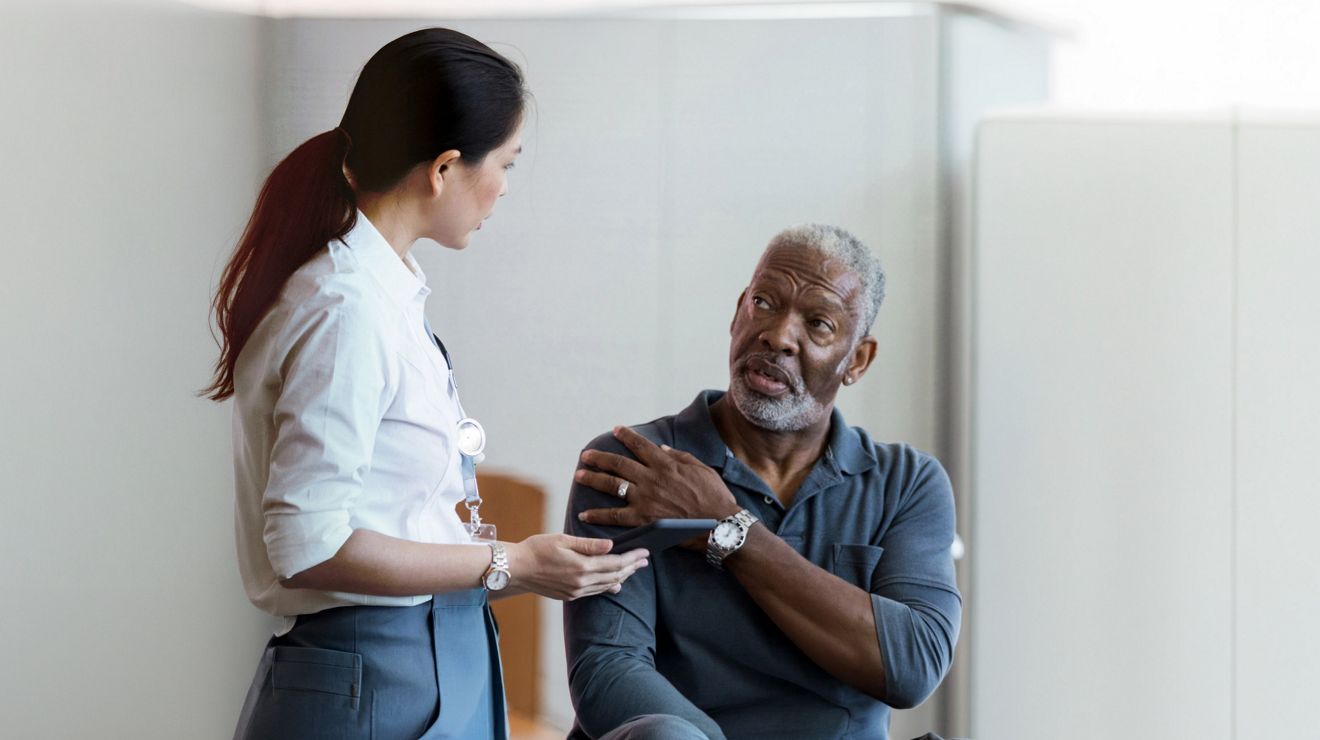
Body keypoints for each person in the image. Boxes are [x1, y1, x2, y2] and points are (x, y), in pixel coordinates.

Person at [204, 28, 648, 740]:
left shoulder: (379, 295)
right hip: (374, 678)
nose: (504, 187)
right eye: (505, 163)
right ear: (443, 168)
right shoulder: (346, 308)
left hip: (419, 665)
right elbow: (307, 544)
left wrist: (522, 567)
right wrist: (511, 561)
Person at [563, 225, 961, 740]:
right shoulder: (636, 465)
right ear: (738, 313)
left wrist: (729, 530)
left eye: (818, 324)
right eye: (764, 303)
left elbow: (913, 667)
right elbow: (607, 673)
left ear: (857, 360)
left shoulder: (907, 483)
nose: (778, 336)